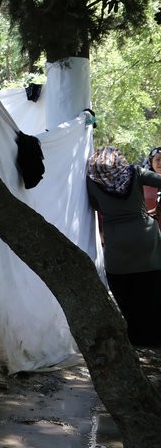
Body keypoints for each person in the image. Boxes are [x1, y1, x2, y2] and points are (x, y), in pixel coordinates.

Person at [87, 145, 161, 346]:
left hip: (117, 242)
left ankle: (135, 338)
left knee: (124, 289)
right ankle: (154, 338)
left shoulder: (92, 180)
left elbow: (95, 206)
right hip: (145, 237)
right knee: (152, 287)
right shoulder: (134, 172)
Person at [143, 146, 161, 220]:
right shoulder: (143, 182)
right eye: (158, 159)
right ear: (151, 161)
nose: (160, 163)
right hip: (147, 226)